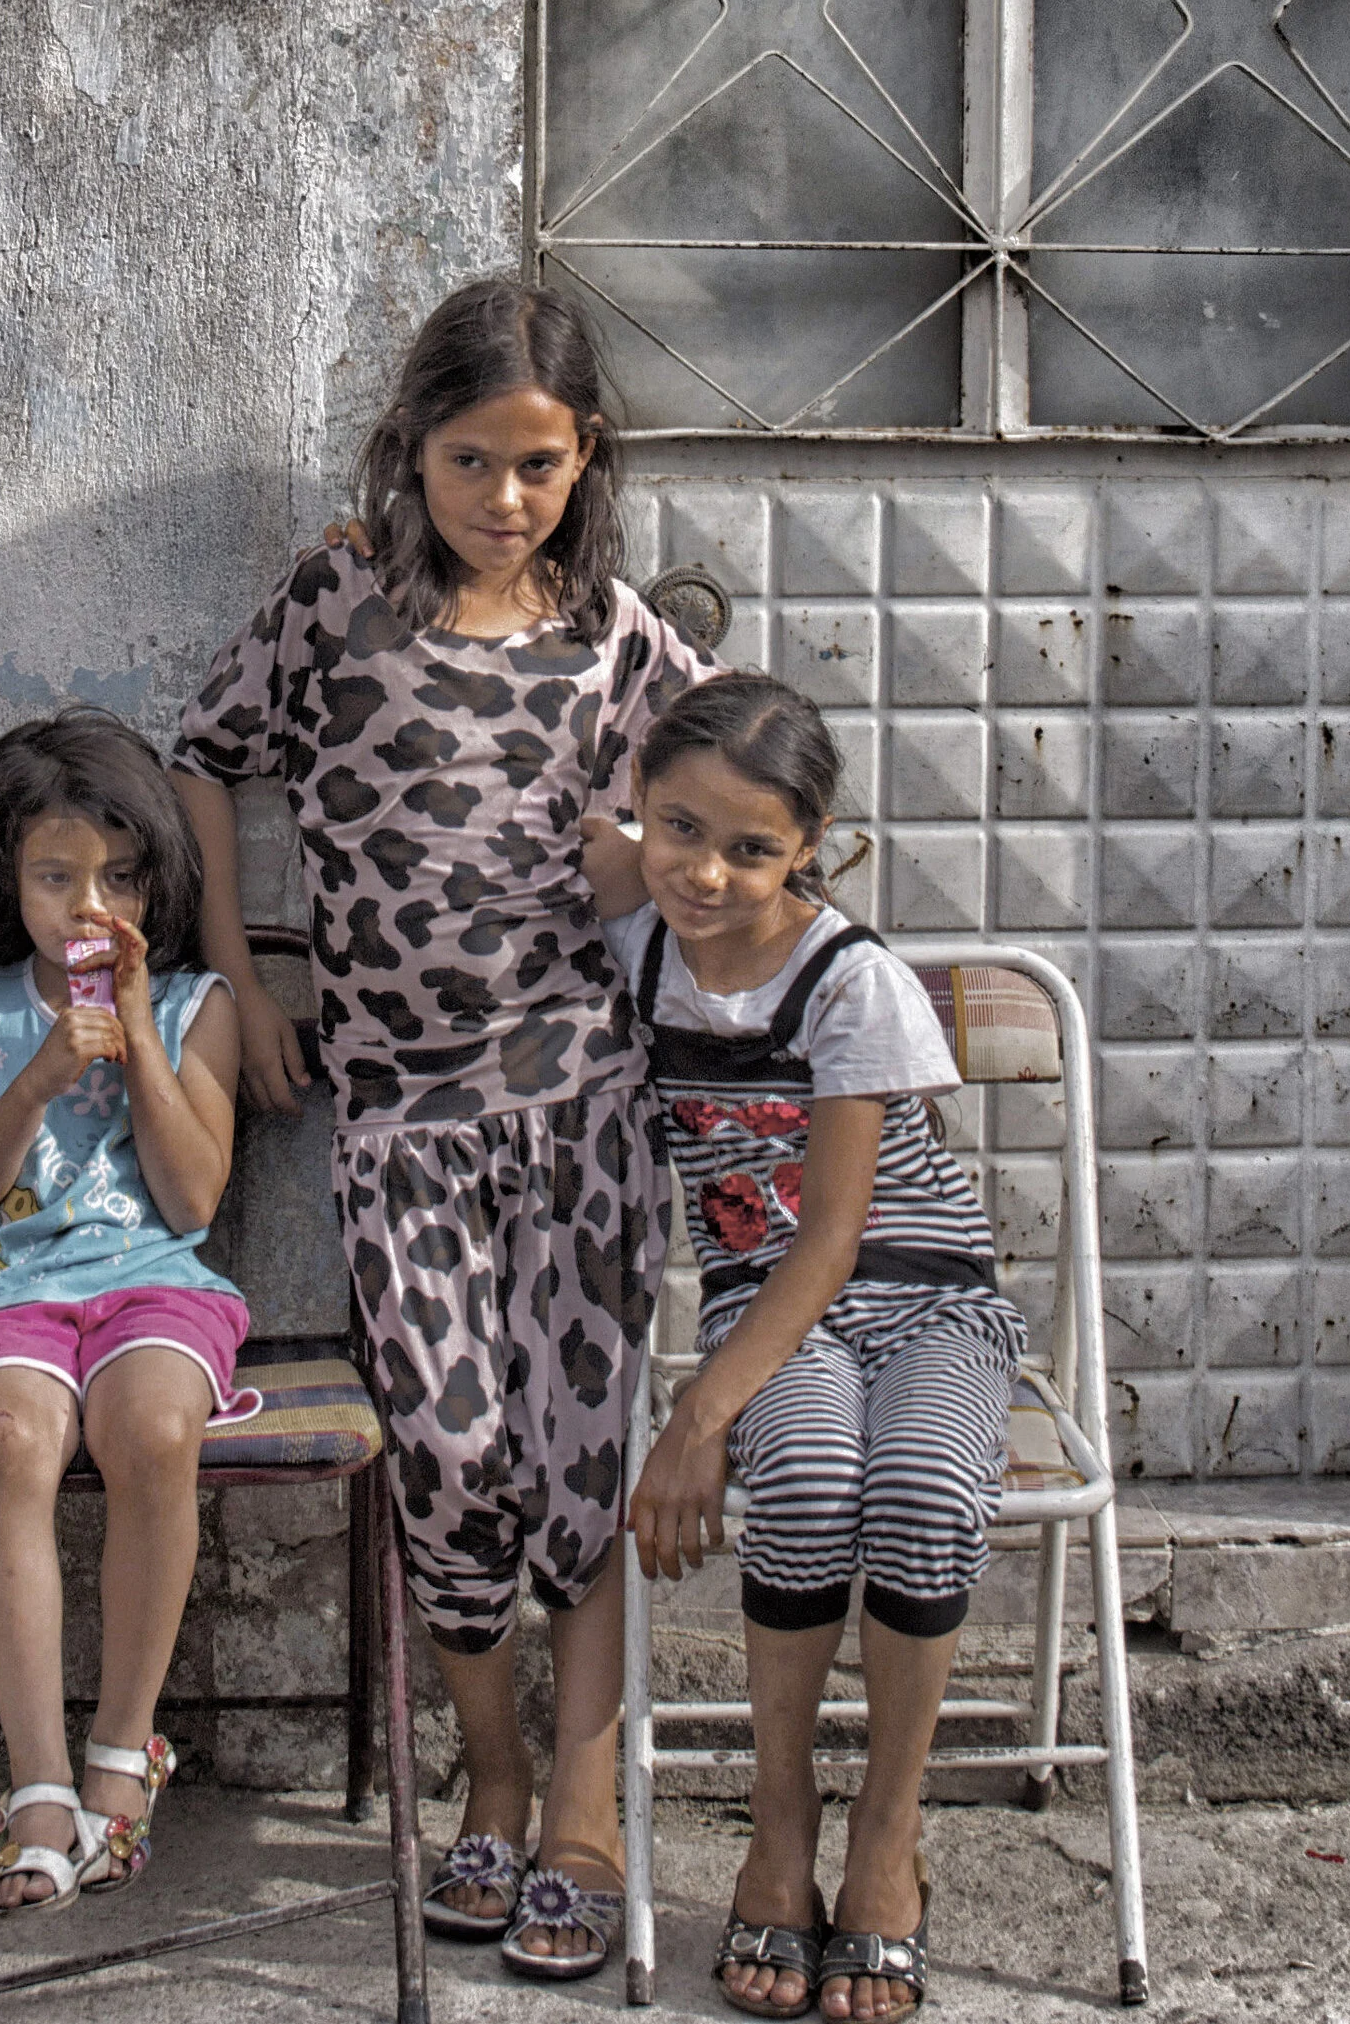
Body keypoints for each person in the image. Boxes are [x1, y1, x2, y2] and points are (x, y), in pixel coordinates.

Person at [170, 276, 706, 1985]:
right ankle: (487, 1772)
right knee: (455, 1458)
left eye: (538, 463)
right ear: (411, 448)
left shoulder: (618, 640)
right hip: (400, 1123)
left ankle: (581, 1810)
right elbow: (204, 755)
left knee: (580, 1465)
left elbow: (732, 805)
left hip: (583, 1112)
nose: (504, 496)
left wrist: (655, 865)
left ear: (586, 455)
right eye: (471, 459)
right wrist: (238, 974)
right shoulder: (337, 600)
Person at [601, 673, 1025, 2024]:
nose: (704, 871)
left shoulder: (852, 982)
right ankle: (777, 1828)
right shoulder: (639, 940)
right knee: (802, 1478)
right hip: (765, 1310)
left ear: (809, 846)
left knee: (921, 1491)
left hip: (925, 1299)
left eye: (750, 847)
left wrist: (692, 1420)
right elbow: (540, 835)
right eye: (679, 829)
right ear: (640, 804)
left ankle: (886, 1839)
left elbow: (834, 1238)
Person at [0, 713, 252, 1918]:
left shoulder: (198, 1005)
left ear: (158, 884)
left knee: (155, 1431)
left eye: (119, 877)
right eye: (56, 877)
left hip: (153, 1277)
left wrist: (140, 1032)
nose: (89, 906)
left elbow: (193, 1197)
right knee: (8, 1440)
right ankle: (39, 1782)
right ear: (9, 876)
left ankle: (121, 1748)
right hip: (3, 1284)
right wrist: (45, 1074)